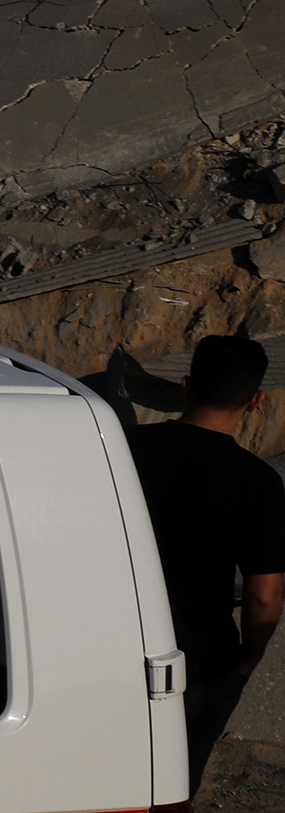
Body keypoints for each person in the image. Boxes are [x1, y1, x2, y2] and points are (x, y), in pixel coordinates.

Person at [129, 332, 285, 788]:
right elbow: (265, 597)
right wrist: (245, 663)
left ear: (186, 386)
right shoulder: (258, 483)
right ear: (255, 401)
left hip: (109, 651)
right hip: (199, 664)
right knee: (171, 788)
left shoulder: (122, 449)